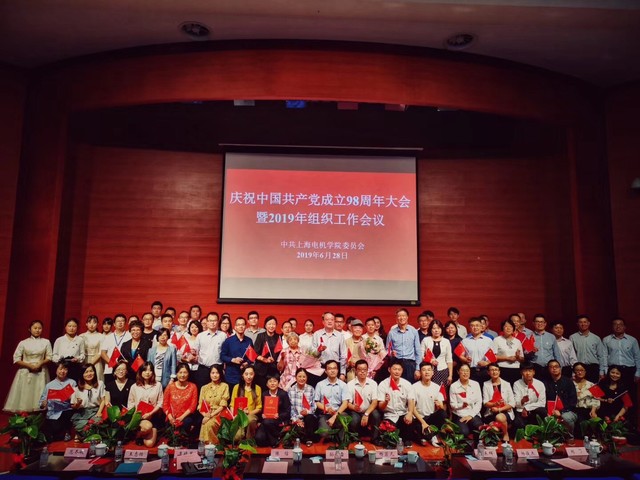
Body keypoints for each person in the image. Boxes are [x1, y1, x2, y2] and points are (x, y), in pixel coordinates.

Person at [4, 320, 52, 412]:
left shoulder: (46, 342)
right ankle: (24, 414)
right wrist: (29, 365)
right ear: (29, 329)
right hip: (26, 370)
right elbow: (16, 358)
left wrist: (40, 363)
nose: (37, 330)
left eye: (39, 328)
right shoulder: (23, 343)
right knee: (25, 392)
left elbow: (49, 357)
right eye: (35, 328)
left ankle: (37, 415)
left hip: (40, 370)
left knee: (39, 391)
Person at [603, 317, 640, 424]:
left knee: (630, 397)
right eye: (615, 324)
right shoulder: (606, 340)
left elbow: (637, 357)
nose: (618, 326)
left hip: (628, 371)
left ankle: (631, 424)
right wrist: (604, 371)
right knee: (613, 397)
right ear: (612, 326)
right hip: (613, 371)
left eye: (620, 324)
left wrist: (638, 372)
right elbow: (604, 356)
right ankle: (613, 421)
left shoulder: (632, 340)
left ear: (625, 327)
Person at [377, 358, 416, 441]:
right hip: (390, 416)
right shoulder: (383, 385)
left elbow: (411, 400)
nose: (397, 372)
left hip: (403, 415)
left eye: (399, 369)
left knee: (410, 425)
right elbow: (380, 407)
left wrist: (410, 413)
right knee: (390, 439)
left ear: (402, 371)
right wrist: (386, 402)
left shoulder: (407, 384)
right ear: (389, 369)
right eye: (394, 369)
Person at [40, 361, 76, 441]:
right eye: (60, 369)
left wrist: (70, 398)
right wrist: (43, 404)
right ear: (56, 370)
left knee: (60, 423)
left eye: (65, 369)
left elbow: (74, 400)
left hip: (66, 411)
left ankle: (64, 433)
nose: (63, 371)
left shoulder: (72, 382)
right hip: (52, 413)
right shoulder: (49, 385)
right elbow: (42, 402)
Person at [412, 362, 446, 447]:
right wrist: (423, 423)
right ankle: (429, 436)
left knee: (442, 413)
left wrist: (440, 406)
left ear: (432, 372)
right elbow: (412, 408)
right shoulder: (414, 387)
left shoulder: (437, 387)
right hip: (419, 419)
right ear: (420, 373)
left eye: (429, 370)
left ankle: (431, 435)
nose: (427, 372)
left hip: (431, 418)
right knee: (419, 432)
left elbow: (442, 406)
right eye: (424, 370)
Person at [347, 359, 381, 444]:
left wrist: (366, 414)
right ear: (355, 370)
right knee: (354, 419)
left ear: (367, 370)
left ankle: (375, 438)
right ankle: (355, 437)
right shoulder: (350, 384)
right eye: (360, 369)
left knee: (376, 415)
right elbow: (347, 403)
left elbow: (375, 402)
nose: (362, 372)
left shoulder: (373, 383)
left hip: (368, 411)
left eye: (364, 369)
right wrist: (353, 407)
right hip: (356, 411)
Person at [315, 359, 350, 442]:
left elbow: (345, 403)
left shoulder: (343, 385)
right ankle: (333, 435)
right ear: (326, 371)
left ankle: (339, 436)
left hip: (339, 413)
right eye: (330, 368)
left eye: (334, 368)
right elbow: (316, 402)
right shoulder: (320, 385)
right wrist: (327, 409)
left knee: (344, 417)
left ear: (337, 370)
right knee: (324, 433)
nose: (332, 370)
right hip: (325, 414)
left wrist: (334, 416)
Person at [70, 363, 107, 439]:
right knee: (81, 427)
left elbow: (103, 400)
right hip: (82, 413)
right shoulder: (76, 389)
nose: (89, 374)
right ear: (82, 374)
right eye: (86, 372)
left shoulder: (100, 384)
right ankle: (82, 435)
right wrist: (78, 404)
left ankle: (82, 436)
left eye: (91, 371)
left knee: (95, 425)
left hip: (95, 411)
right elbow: (73, 406)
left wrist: (99, 412)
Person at [127, 361, 164, 436]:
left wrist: (150, 413)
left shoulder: (158, 385)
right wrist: (135, 416)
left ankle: (140, 436)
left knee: (150, 442)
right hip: (139, 417)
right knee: (147, 427)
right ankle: (138, 435)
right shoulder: (134, 387)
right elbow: (130, 403)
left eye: (150, 370)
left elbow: (160, 402)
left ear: (153, 372)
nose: (147, 372)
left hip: (153, 416)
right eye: (145, 370)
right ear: (140, 372)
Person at [163, 363, 200, 437]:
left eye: (185, 372)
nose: (182, 375)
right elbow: (165, 404)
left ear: (188, 374)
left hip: (185, 418)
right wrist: (170, 418)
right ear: (176, 374)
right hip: (171, 418)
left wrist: (181, 418)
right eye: (180, 372)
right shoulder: (170, 387)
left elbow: (193, 406)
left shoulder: (193, 387)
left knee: (187, 423)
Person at [386, 308, 422, 382]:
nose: (401, 318)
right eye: (399, 316)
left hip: (410, 364)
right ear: (396, 318)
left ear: (407, 317)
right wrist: (391, 353)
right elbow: (387, 350)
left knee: (410, 386)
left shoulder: (413, 331)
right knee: (396, 386)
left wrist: (418, 369)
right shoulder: (391, 333)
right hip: (396, 363)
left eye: (403, 315)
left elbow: (418, 351)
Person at [255, 373, 291, 447]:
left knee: (267, 422)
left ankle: (273, 441)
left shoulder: (283, 394)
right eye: (270, 381)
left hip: (278, 421)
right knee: (259, 439)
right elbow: (261, 409)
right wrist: (262, 415)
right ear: (267, 384)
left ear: (278, 383)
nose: (272, 383)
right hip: (266, 421)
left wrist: (279, 415)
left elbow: (287, 411)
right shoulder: (264, 394)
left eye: (275, 381)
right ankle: (277, 437)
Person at [544, 359, 578, 437]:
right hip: (550, 411)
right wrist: (548, 411)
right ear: (548, 369)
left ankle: (569, 436)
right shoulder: (545, 383)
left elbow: (573, 402)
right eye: (551, 367)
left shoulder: (568, 382)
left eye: (556, 366)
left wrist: (561, 411)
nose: (554, 368)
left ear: (560, 368)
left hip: (568, 411)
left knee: (566, 417)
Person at [198, 365, 230, 444]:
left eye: (217, 373)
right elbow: (200, 405)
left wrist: (210, 416)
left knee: (208, 423)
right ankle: (208, 446)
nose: (215, 375)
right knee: (206, 422)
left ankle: (212, 445)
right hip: (207, 413)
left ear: (220, 374)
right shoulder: (204, 388)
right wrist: (205, 415)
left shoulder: (224, 386)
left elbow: (223, 406)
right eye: (212, 373)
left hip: (219, 414)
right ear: (209, 374)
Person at [570, 315, 607, 383]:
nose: (583, 324)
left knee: (593, 388)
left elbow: (601, 356)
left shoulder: (596, 338)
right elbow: (572, 355)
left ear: (588, 323)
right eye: (580, 322)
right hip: (579, 368)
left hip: (593, 368)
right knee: (580, 387)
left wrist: (601, 371)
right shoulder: (572, 337)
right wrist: (573, 371)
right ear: (577, 324)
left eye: (585, 322)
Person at [482, 363, 514, 442]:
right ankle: (499, 428)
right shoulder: (486, 384)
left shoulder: (507, 384)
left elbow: (512, 403)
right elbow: (485, 402)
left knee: (499, 417)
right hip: (491, 412)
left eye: (496, 370)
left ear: (499, 372)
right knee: (493, 429)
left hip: (505, 411)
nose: (494, 372)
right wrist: (494, 404)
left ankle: (505, 433)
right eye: (492, 370)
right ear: (488, 372)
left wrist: (499, 409)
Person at [449, 364, 483, 439]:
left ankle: (477, 445)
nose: (465, 373)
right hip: (459, 414)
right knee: (464, 432)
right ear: (458, 372)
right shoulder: (454, 386)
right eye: (463, 371)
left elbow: (479, 402)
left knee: (479, 427)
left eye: (467, 371)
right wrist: (461, 405)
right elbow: (452, 404)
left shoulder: (475, 384)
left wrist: (471, 415)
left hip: (473, 413)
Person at [195, 312, 226, 390]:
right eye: (210, 320)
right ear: (207, 322)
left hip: (218, 369)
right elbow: (195, 351)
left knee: (218, 391)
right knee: (202, 390)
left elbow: (225, 352)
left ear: (218, 322)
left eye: (214, 320)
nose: (212, 323)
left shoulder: (223, 335)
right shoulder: (200, 336)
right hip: (203, 369)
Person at [221, 317, 254, 389]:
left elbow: (252, 357)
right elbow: (222, 356)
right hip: (231, 376)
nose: (241, 327)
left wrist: (246, 363)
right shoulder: (228, 341)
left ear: (245, 327)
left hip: (245, 376)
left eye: (242, 325)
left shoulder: (249, 341)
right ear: (235, 327)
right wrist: (233, 360)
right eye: (238, 325)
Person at [312, 312, 347, 380]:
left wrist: (342, 373)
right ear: (323, 322)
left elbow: (343, 355)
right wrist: (318, 350)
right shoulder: (317, 334)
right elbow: (312, 355)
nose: (330, 321)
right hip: (320, 368)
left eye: (332, 319)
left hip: (335, 368)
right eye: (327, 319)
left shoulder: (340, 336)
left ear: (334, 321)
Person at [230, 365, 262, 439]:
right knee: (237, 437)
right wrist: (234, 415)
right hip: (239, 415)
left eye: (251, 374)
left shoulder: (257, 388)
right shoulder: (237, 387)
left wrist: (249, 413)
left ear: (254, 375)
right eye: (246, 374)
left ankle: (249, 440)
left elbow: (259, 407)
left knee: (250, 420)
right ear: (242, 375)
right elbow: (232, 404)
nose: (249, 377)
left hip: (251, 415)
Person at [512, 363, 546, 431]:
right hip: (521, 410)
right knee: (517, 424)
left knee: (542, 411)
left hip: (534, 410)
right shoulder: (516, 384)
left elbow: (542, 403)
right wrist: (522, 401)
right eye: (525, 371)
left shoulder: (540, 384)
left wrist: (527, 408)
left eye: (530, 371)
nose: (528, 373)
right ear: (521, 372)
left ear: (534, 372)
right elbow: (515, 403)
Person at [288, 368, 319, 442]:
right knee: (300, 431)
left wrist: (307, 412)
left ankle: (308, 438)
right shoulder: (291, 390)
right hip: (297, 419)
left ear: (307, 377)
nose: (302, 379)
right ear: (295, 377)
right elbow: (290, 408)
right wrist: (296, 420)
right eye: (299, 376)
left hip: (309, 418)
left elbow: (314, 405)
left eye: (304, 376)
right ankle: (308, 437)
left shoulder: (311, 389)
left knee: (309, 419)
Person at [253, 315, 283, 390]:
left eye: (273, 324)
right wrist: (265, 360)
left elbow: (280, 352)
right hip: (261, 369)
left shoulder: (279, 337)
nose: (271, 326)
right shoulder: (260, 336)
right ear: (265, 325)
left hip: (274, 369)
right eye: (269, 324)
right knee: (261, 390)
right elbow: (255, 353)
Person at [491, 317, 524, 385]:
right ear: (502, 328)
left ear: (513, 329)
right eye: (506, 326)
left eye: (511, 327)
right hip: (502, 369)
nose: (508, 328)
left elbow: (522, 359)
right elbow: (492, 357)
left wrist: (518, 357)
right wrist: (507, 358)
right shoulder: (497, 340)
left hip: (516, 369)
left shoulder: (517, 341)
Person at [420, 319, 453, 386]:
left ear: (441, 329)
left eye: (438, 328)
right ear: (430, 329)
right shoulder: (426, 340)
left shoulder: (446, 341)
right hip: (428, 371)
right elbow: (420, 356)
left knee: (442, 390)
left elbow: (449, 360)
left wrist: (450, 375)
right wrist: (430, 360)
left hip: (443, 370)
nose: (436, 330)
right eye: (434, 328)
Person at [100, 314, 132, 383]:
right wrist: (113, 364)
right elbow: (103, 353)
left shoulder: (130, 336)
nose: (120, 323)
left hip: (125, 370)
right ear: (114, 324)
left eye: (122, 321)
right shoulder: (108, 337)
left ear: (125, 323)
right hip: (109, 369)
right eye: (118, 321)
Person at [460, 317, 493, 384]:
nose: (475, 327)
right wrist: (466, 359)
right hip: (471, 371)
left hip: (485, 370)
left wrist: (486, 363)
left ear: (481, 327)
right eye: (472, 326)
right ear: (470, 328)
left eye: (477, 325)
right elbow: (460, 356)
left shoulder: (488, 340)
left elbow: (493, 356)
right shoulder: (465, 341)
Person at [52, 317, 86, 381]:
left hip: (75, 367)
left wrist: (77, 359)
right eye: (69, 326)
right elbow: (54, 355)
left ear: (77, 327)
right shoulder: (59, 340)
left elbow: (83, 354)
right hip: (61, 367)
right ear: (65, 327)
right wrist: (60, 360)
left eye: (74, 326)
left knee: (73, 385)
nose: (71, 328)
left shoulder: (80, 340)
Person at [530, 314, 561, 381]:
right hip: (534, 367)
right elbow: (525, 354)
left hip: (549, 368)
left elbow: (557, 354)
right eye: (537, 322)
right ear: (533, 323)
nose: (539, 324)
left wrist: (559, 368)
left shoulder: (551, 337)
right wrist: (531, 352)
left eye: (542, 322)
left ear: (545, 324)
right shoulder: (528, 336)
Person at [81, 315, 105, 382]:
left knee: (96, 380)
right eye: (89, 322)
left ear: (97, 324)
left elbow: (101, 352)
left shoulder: (101, 336)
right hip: (84, 361)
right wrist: (86, 364)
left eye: (94, 322)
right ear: (86, 324)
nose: (91, 325)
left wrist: (91, 364)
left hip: (96, 362)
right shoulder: (81, 336)